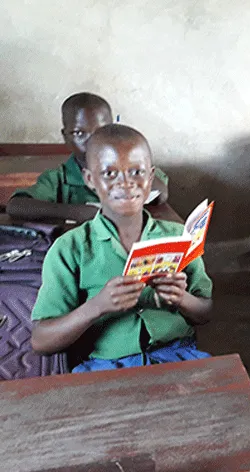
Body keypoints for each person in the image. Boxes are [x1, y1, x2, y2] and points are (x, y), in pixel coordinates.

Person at [30, 124, 212, 372]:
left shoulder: (178, 237)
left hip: (178, 357)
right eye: (109, 174)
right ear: (90, 180)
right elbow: (41, 341)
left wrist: (182, 299)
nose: (126, 183)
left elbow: (206, 312)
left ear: (151, 178)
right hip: (104, 366)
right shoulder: (70, 249)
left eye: (136, 171)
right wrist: (97, 307)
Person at [7, 92, 169, 222]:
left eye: (101, 130)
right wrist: (75, 212)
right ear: (66, 137)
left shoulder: (131, 168)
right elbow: (15, 206)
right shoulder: (59, 178)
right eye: (79, 133)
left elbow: (161, 193)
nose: (92, 141)